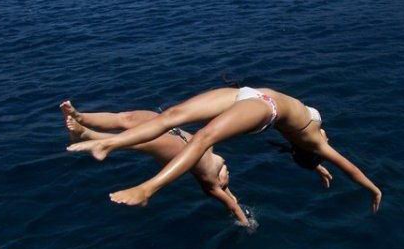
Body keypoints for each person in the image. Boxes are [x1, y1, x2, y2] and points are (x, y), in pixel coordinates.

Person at [67, 87, 383, 212]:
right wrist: (316, 166)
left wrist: (373, 189)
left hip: (265, 107)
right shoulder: (306, 144)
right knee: (172, 115)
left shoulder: (317, 142)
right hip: (248, 94)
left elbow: (351, 169)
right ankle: (107, 142)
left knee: (203, 137)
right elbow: (303, 152)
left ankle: (147, 189)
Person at [60, 101, 251, 226]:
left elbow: (233, 206)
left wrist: (247, 224)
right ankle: (81, 117)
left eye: (226, 179)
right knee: (128, 118)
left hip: (178, 150)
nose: (228, 173)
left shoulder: (212, 185)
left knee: (142, 141)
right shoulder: (212, 149)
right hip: (175, 131)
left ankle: (88, 135)